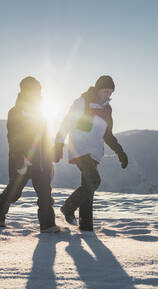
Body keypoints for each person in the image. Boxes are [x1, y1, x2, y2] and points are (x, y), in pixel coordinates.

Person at [54, 75, 128, 231]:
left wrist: (120, 151)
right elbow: (67, 122)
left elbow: (107, 134)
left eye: (110, 92)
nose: (108, 95)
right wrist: (59, 142)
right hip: (79, 148)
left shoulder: (107, 109)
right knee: (94, 180)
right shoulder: (82, 102)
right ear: (98, 89)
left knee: (88, 186)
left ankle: (86, 226)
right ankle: (68, 208)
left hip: (94, 151)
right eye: (105, 91)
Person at [0, 76, 60, 233]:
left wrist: (50, 158)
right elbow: (14, 137)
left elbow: (45, 138)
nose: (36, 94)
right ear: (24, 91)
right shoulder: (16, 112)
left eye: (38, 90)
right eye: (33, 90)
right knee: (14, 193)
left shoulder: (42, 112)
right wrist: (21, 155)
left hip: (41, 161)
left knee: (45, 193)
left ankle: (48, 226)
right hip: (22, 160)